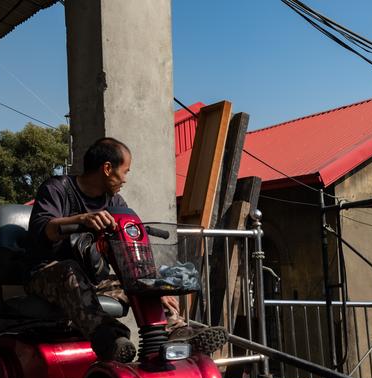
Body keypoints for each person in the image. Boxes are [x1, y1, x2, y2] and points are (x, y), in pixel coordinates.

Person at [25, 137, 226, 362]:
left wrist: (155, 287)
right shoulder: (57, 189)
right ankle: (109, 338)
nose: (125, 179)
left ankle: (176, 331)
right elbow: (44, 229)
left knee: (138, 282)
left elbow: (128, 252)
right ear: (108, 168)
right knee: (70, 269)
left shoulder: (115, 203)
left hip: (93, 280)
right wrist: (82, 219)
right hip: (47, 275)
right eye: (125, 171)